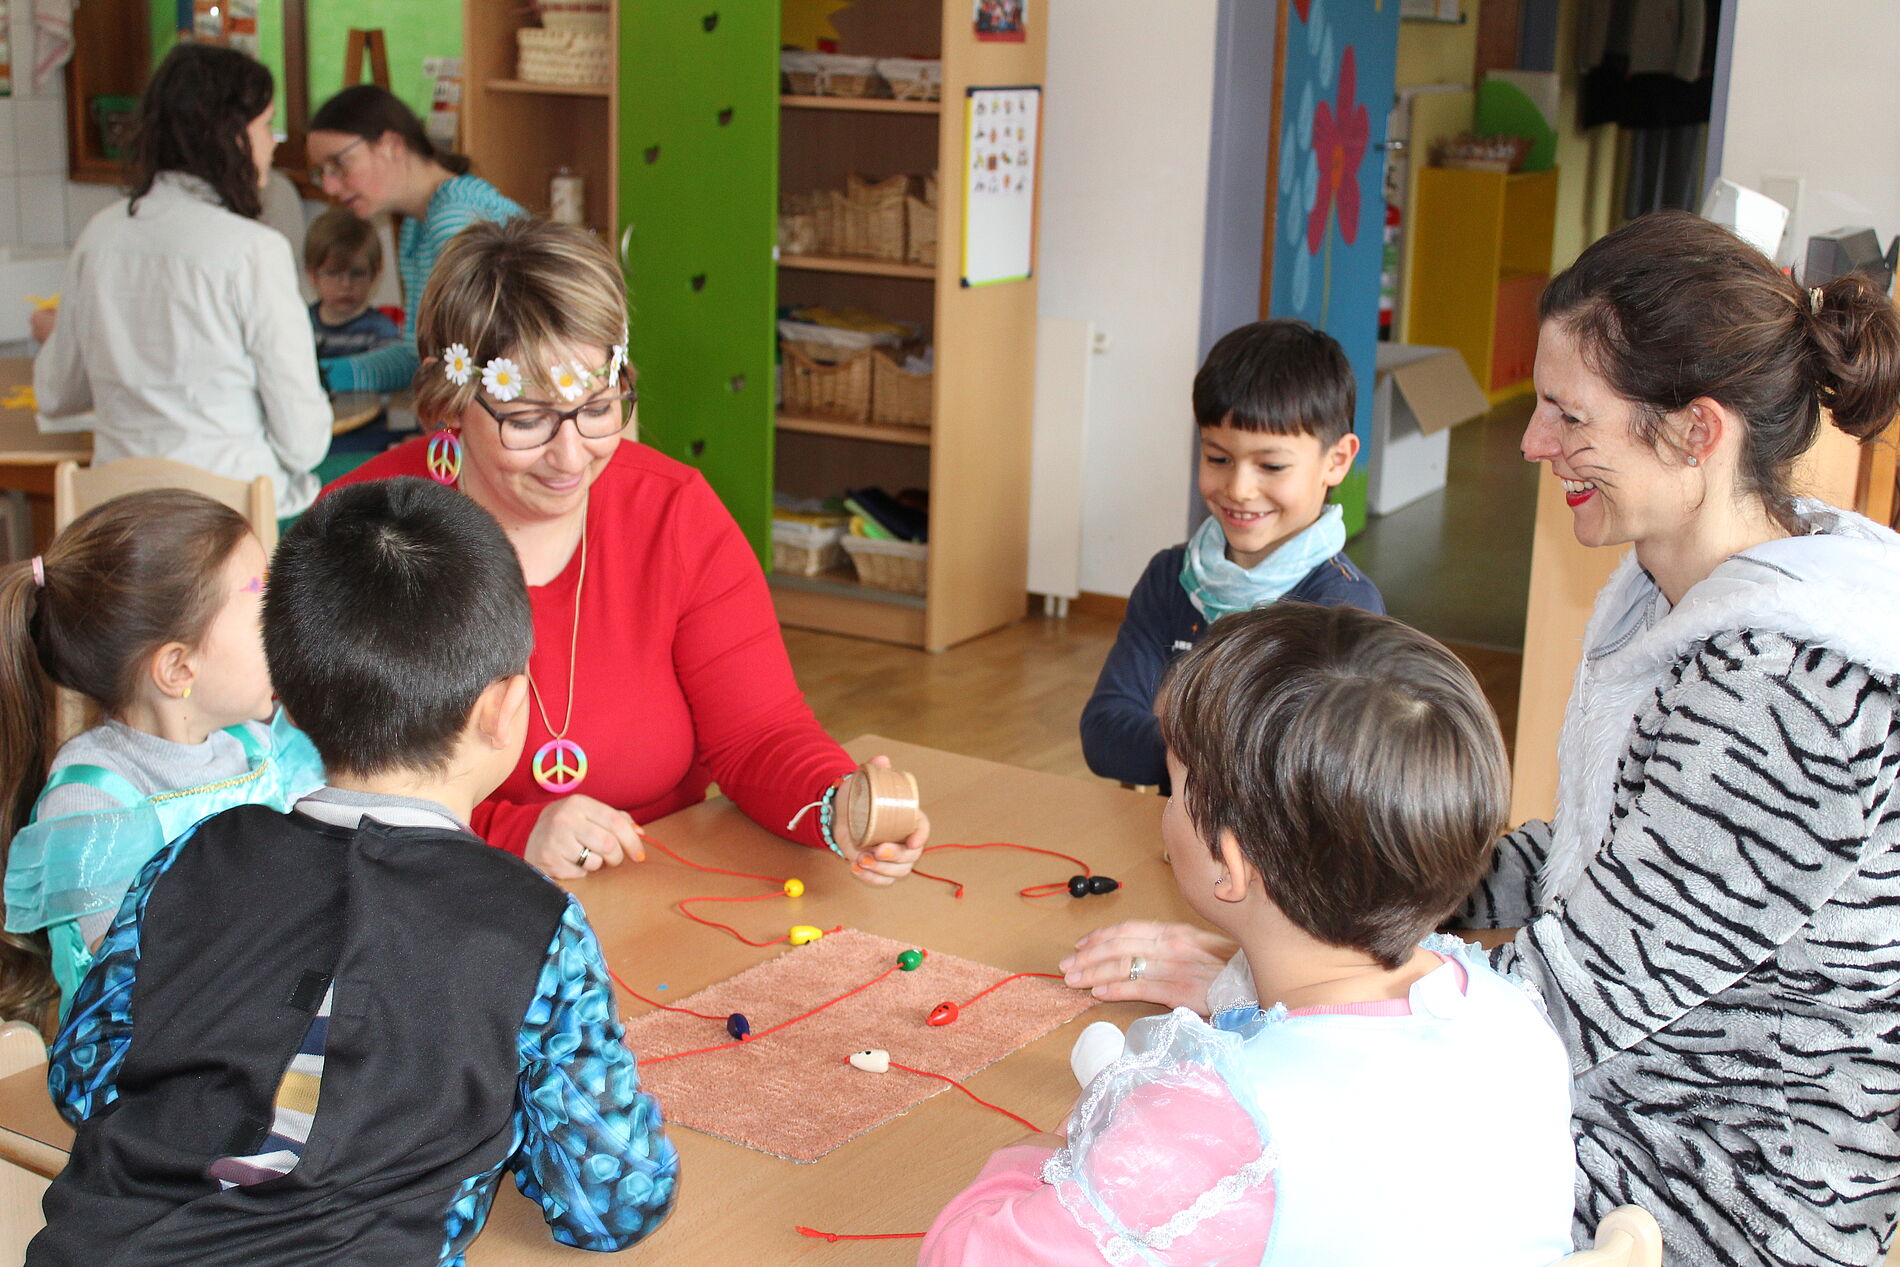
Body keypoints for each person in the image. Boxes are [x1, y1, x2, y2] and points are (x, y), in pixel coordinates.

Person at [1065, 211, 1900, 1266]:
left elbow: (1570, 998)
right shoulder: (1679, 595)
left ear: (1697, 431)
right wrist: (1316, 902)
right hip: (1621, 1101)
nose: (1532, 442)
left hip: (1720, 1182)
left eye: (1568, 415)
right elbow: (1591, 860)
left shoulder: (1784, 691)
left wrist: (1277, 978)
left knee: (1235, 1181)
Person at [28, 478, 679, 1265]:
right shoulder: (536, 925)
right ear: (504, 709)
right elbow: (613, 1203)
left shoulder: (188, 854)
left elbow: (85, 1081)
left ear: (292, 696)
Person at [924, 603, 1576, 1265]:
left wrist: (1048, 1153)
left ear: (1230, 866)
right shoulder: (1513, 1016)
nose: (1166, 808)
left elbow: (962, 1257)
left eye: (1174, 787)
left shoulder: (1221, 1127)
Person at [327, 218, 928, 882]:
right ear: (448, 403)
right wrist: (510, 834)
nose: (570, 456)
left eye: (596, 409)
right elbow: (319, 780)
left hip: (654, 886)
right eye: (526, 421)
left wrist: (835, 805)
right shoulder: (363, 530)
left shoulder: (674, 512)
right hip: (435, 893)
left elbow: (758, 734)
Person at [0, 491, 322, 1020]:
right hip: (157, 1054)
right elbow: (139, 988)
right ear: (177, 669)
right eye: (264, 612)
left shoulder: (258, 747)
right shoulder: (93, 801)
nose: (290, 629)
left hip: (263, 1021)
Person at [1079, 320, 1382, 789]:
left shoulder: (1344, 608)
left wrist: (1169, 730)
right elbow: (1104, 735)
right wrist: (1234, 750)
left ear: (1337, 461)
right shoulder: (1170, 577)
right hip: (1167, 829)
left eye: (1272, 465)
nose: (1239, 489)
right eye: (1218, 458)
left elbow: (1305, 773)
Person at [32, 44, 332, 518]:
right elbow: (304, 442)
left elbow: (55, 393)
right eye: (265, 125)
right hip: (230, 525)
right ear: (230, 135)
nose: (272, 143)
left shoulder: (99, 236)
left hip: (120, 522)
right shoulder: (254, 250)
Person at [306, 85, 524, 394]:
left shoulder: (455, 222)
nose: (329, 186)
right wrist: (317, 374)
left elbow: (472, 370)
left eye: (339, 164)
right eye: (322, 172)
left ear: (392, 145)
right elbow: (420, 358)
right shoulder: (417, 224)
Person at [303, 205, 399, 360]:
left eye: (357, 273)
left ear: (375, 274)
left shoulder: (382, 332)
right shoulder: (300, 324)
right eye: (333, 273)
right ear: (312, 275)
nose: (346, 285)